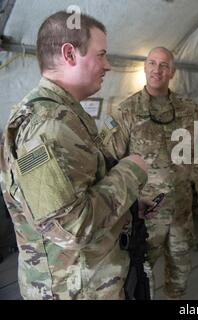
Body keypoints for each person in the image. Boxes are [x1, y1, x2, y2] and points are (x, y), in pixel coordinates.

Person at [0, 12, 150, 300]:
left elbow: (77, 195)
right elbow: (71, 228)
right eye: (102, 55)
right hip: (73, 290)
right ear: (69, 53)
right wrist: (132, 172)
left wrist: (128, 204)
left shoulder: (62, 115)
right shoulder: (48, 126)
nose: (107, 65)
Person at [102, 47, 198, 300]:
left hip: (182, 211)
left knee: (181, 269)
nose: (157, 69)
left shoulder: (189, 109)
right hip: (146, 214)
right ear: (144, 68)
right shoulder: (126, 111)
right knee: (140, 274)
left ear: (172, 71)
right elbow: (108, 161)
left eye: (164, 65)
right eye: (152, 63)